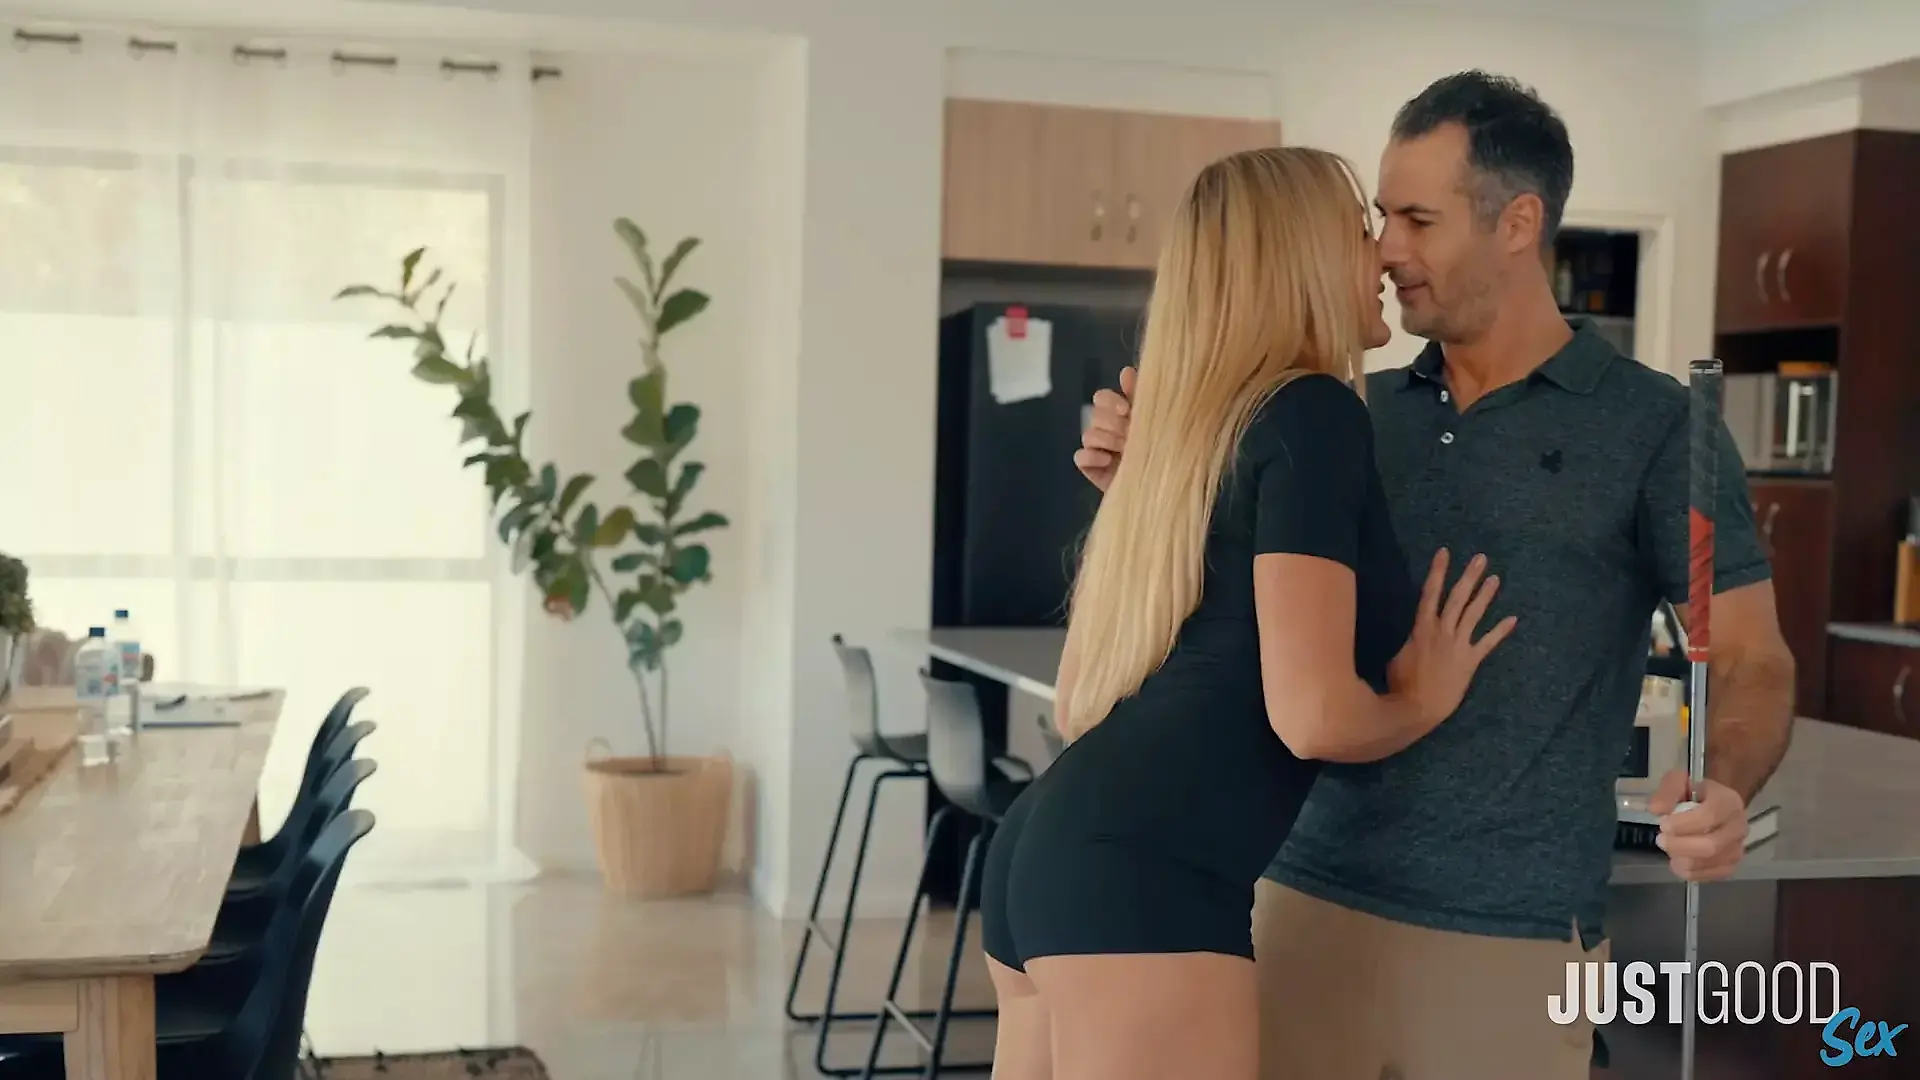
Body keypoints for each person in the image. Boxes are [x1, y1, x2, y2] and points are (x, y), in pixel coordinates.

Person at [1073, 72, 1796, 1080]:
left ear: (1519, 223)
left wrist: (1724, 782)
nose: (1383, 249)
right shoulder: (1335, 409)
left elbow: (1753, 655)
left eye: (1417, 219)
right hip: (1295, 901)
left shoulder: (1662, 429)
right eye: (1382, 217)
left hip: (1514, 940)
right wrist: (1143, 484)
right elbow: (1212, 614)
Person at [976, 146, 1517, 1080]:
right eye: (1360, 231)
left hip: (1050, 850)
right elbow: (1311, 717)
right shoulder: (1314, 413)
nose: (1383, 255)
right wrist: (1418, 701)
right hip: (1145, 881)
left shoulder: (1203, 436)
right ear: (1299, 256)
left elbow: (1082, 703)